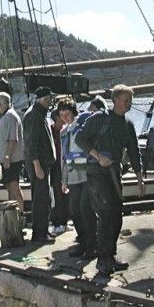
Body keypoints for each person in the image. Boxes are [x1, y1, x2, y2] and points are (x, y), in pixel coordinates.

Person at [75, 84, 145, 276]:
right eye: (125, 100)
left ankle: (110, 255)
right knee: (105, 214)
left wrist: (140, 178)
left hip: (114, 172)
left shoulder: (128, 124)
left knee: (116, 215)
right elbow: (80, 139)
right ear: (115, 101)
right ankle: (102, 259)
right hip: (97, 172)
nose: (128, 104)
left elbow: (134, 151)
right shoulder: (99, 119)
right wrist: (98, 156)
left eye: (130, 101)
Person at [58, 97, 98, 259]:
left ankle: (92, 245)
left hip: (86, 174)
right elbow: (63, 157)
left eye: (67, 114)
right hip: (73, 175)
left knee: (86, 209)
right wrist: (64, 180)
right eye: (62, 115)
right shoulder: (64, 132)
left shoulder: (83, 125)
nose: (65, 118)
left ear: (73, 112)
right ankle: (82, 242)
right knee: (74, 211)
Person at [23, 86, 56, 244]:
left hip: (42, 161)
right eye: (47, 99)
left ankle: (43, 230)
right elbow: (31, 143)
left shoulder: (39, 113)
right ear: (40, 99)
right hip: (38, 162)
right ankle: (39, 234)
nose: (50, 102)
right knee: (40, 199)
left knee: (44, 198)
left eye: (50, 98)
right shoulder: (34, 115)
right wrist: (37, 165)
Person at [49, 106, 69, 235]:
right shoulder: (50, 130)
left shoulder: (66, 130)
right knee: (56, 195)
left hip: (65, 164)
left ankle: (64, 222)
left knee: (65, 195)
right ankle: (56, 223)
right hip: (55, 165)